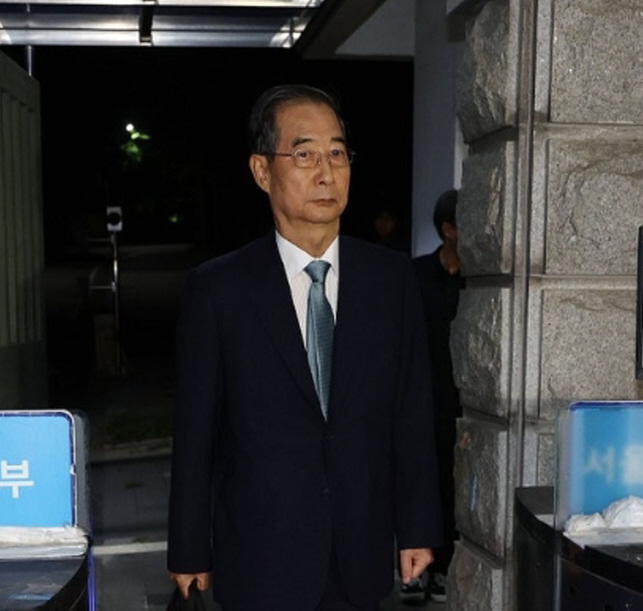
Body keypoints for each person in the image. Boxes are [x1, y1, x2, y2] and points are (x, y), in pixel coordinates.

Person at [167, 84, 442, 611]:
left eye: (337, 153)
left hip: (360, 550)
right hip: (259, 555)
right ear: (261, 171)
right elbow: (196, 430)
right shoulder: (220, 289)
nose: (326, 172)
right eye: (304, 154)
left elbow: (412, 411)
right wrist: (188, 548)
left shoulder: (390, 281)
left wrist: (418, 527)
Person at [408, 189, 463, 604]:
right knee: (419, 481)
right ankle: (415, 567)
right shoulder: (415, 275)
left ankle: (444, 568)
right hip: (421, 400)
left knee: (456, 484)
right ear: (449, 230)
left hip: (464, 404)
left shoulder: (479, 280)